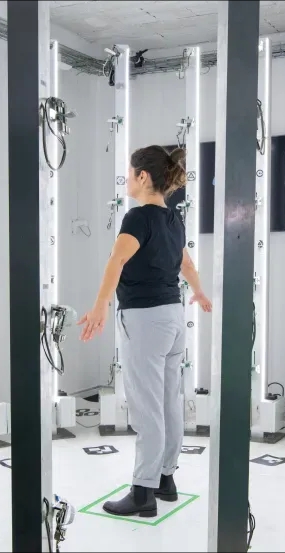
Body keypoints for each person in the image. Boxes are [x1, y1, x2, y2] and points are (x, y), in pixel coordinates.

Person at [77, 145, 212, 518]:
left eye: (129, 171)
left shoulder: (137, 218)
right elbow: (184, 261)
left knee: (147, 405)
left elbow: (116, 261)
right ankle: (166, 478)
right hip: (172, 317)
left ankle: (142, 493)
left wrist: (100, 306)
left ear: (143, 177)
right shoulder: (174, 219)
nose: (126, 178)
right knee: (169, 401)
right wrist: (198, 291)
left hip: (146, 319)